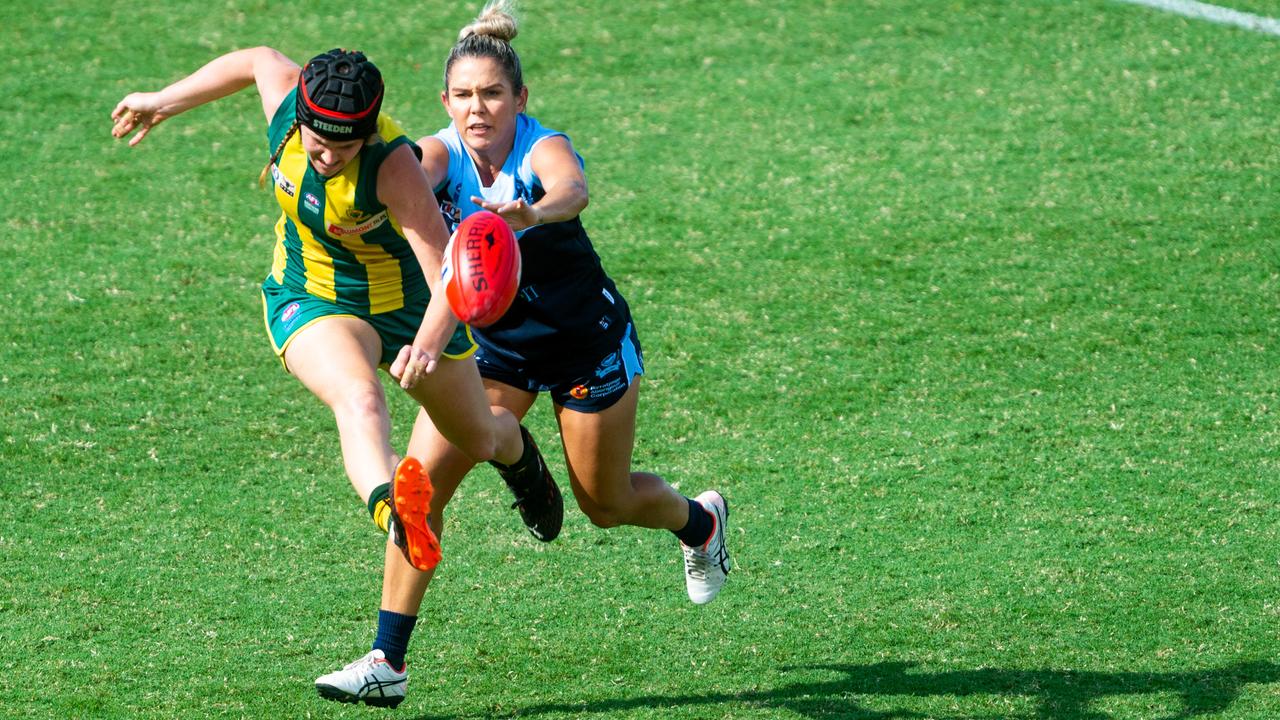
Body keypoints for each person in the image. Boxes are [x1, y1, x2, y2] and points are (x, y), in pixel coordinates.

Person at [111, 46, 563, 709]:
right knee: (358, 394)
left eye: (342, 149)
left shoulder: (395, 168)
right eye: (318, 143)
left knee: (483, 435)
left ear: (370, 132)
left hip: (413, 310)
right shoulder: (286, 109)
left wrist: (430, 345)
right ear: (301, 116)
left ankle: (519, 457)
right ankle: (394, 508)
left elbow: (447, 270)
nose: (325, 156)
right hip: (315, 298)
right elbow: (256, 58)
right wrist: (163, 99)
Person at [321, 0, 734, 707]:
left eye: (492, 95)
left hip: (586, 348)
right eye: (462, 96)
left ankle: (701, 523)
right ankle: (387, 660)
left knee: (604, 503)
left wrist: (532, 212)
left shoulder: (539, 148)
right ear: (444, 100)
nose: (477, 110)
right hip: (495, 354)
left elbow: (573, 187)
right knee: (420, 487)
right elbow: (398, 177)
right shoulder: (438, 157)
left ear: (519, 99)